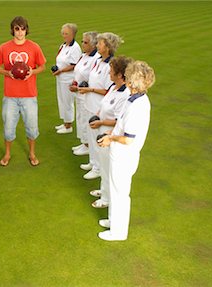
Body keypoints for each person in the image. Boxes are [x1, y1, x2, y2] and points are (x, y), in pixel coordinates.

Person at [96, 60, 155, 241]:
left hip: (124, 155)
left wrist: (111, 138)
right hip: (119, 153)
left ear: (132, 82)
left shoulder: (138, 106)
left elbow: (128, 138)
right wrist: (111, 132)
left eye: (128, 77)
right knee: (115, 190)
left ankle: (118, 232)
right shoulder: (133, 99)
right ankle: (113, 220)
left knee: (120, 193)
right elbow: (122, 127)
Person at [0, 16, 46, 166]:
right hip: (10, 96)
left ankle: (32, 153)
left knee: (31, 126)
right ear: (12, 30)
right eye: (17, 29)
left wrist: (32, 72)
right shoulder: (4, 47)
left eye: (23, 28)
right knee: (8, 127)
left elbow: (42, 66)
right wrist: (7, 73)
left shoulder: (34, 47)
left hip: (29, 95)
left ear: (26, 29)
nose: (20, 32)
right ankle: (7, 153)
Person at [88, 56, 133, 209]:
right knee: (103, 164)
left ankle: (107, 199)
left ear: (120, 75)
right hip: (101, 130)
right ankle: (103, 191)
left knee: (107, 167)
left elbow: (118, 120)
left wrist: (101, 122)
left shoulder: (125, 94)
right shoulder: (113, 87)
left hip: (109, 133)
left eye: (111, 71)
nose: (109, 73)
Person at [78, 32, 123, 180]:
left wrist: (89, 89)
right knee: (91, 137)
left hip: (100, 106)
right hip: (91, 104)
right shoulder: (98, 60)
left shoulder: (111, 65)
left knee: (97, 139)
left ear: (108, 46)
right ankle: (93, 162)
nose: (97, 45)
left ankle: (97, 168)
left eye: (100, 43)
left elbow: (107, 89)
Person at [69, 31, 100, 156]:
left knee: (85, 119)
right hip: (79, 93)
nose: (82, 44)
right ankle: (84, 142)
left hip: (86, 94)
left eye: (85, 42)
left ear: (93, 45)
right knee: (80, 118)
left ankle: (87, 145)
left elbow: (91, 78)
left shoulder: (95, 58)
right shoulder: (84, 55)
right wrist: (74, 82)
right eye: (82, 41)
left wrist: (81, 86)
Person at [52, 23, 82, 134]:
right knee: (62, 100)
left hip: (68, 79)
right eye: (63, 33)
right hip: (60, 78)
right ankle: (65, 122)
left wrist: (61, 70)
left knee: (67, 101)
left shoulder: (75, 48)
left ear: (73, 34)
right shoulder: (63, 46)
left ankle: (68, 126)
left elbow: (74, 65)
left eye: (66, 33)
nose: (64, 35)